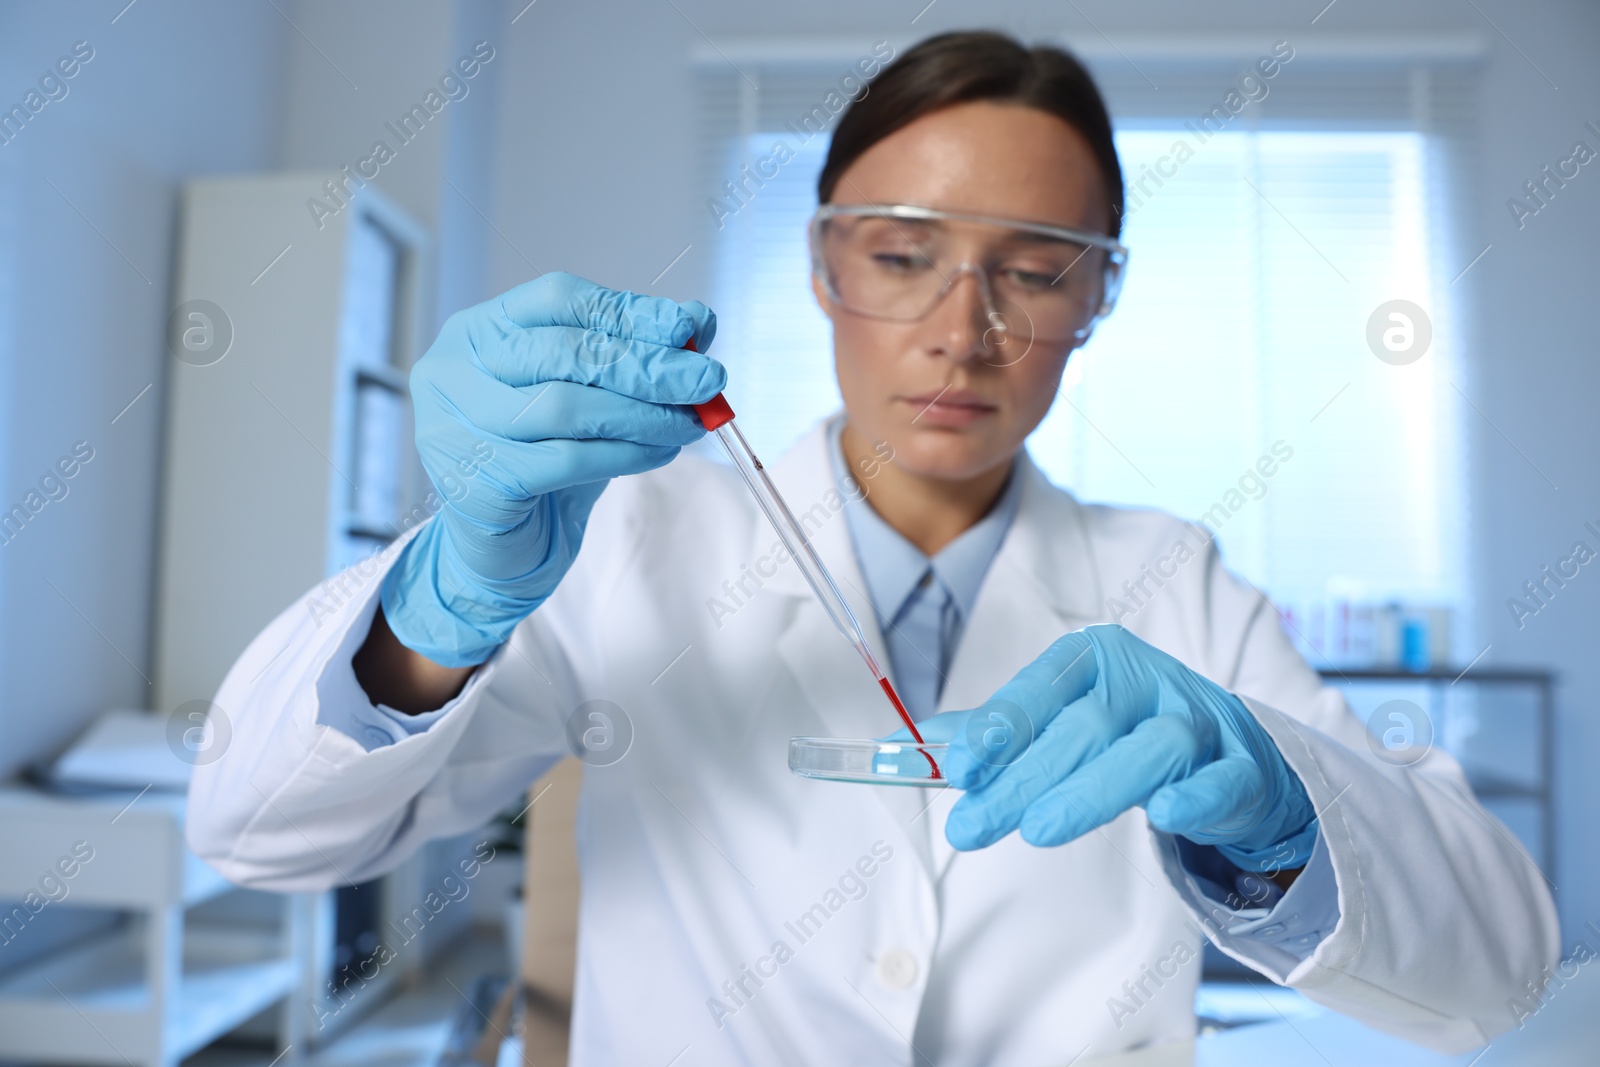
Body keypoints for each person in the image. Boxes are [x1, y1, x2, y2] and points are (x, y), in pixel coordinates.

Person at [188, 30, 1558, 1066]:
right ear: (824, 267)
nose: (964, 330)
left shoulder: (1174, 583)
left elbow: (1498, 971)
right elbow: (253, 832)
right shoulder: (629, 544)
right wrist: (444, 604)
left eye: (1033, 267)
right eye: (903, 255)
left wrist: (1281, 821)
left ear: (1101, 294)